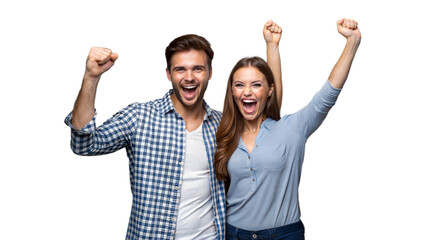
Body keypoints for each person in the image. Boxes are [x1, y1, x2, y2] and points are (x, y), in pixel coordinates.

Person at [65, 24, 281, 239]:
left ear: (210, 73)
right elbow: (84, 144)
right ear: (169, 74)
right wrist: (91, 77)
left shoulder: (223, 125)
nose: (189, 77)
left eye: (198, 68)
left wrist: (272, 47)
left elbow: (268, 112)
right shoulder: (140, 117)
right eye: (180, 69)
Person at [214, 18, 361, 239]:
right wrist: (272, 45)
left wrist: (352, 42)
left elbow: (327, 96)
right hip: (233, 233)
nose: (247, 91)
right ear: (232, 92)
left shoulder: (291, 130)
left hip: (283, 234)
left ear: (269, 90)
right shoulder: (223, 133)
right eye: (239, 85)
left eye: (256, 84)